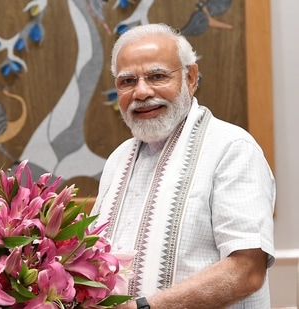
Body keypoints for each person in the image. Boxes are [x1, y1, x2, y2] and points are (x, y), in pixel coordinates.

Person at [91, 23, 275, 308]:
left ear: (190, 78)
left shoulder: (232, 148)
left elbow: (247, 270)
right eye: (127, 81)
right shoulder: (118, 159)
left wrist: (144, 307)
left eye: (157, 76)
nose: (141, 92)